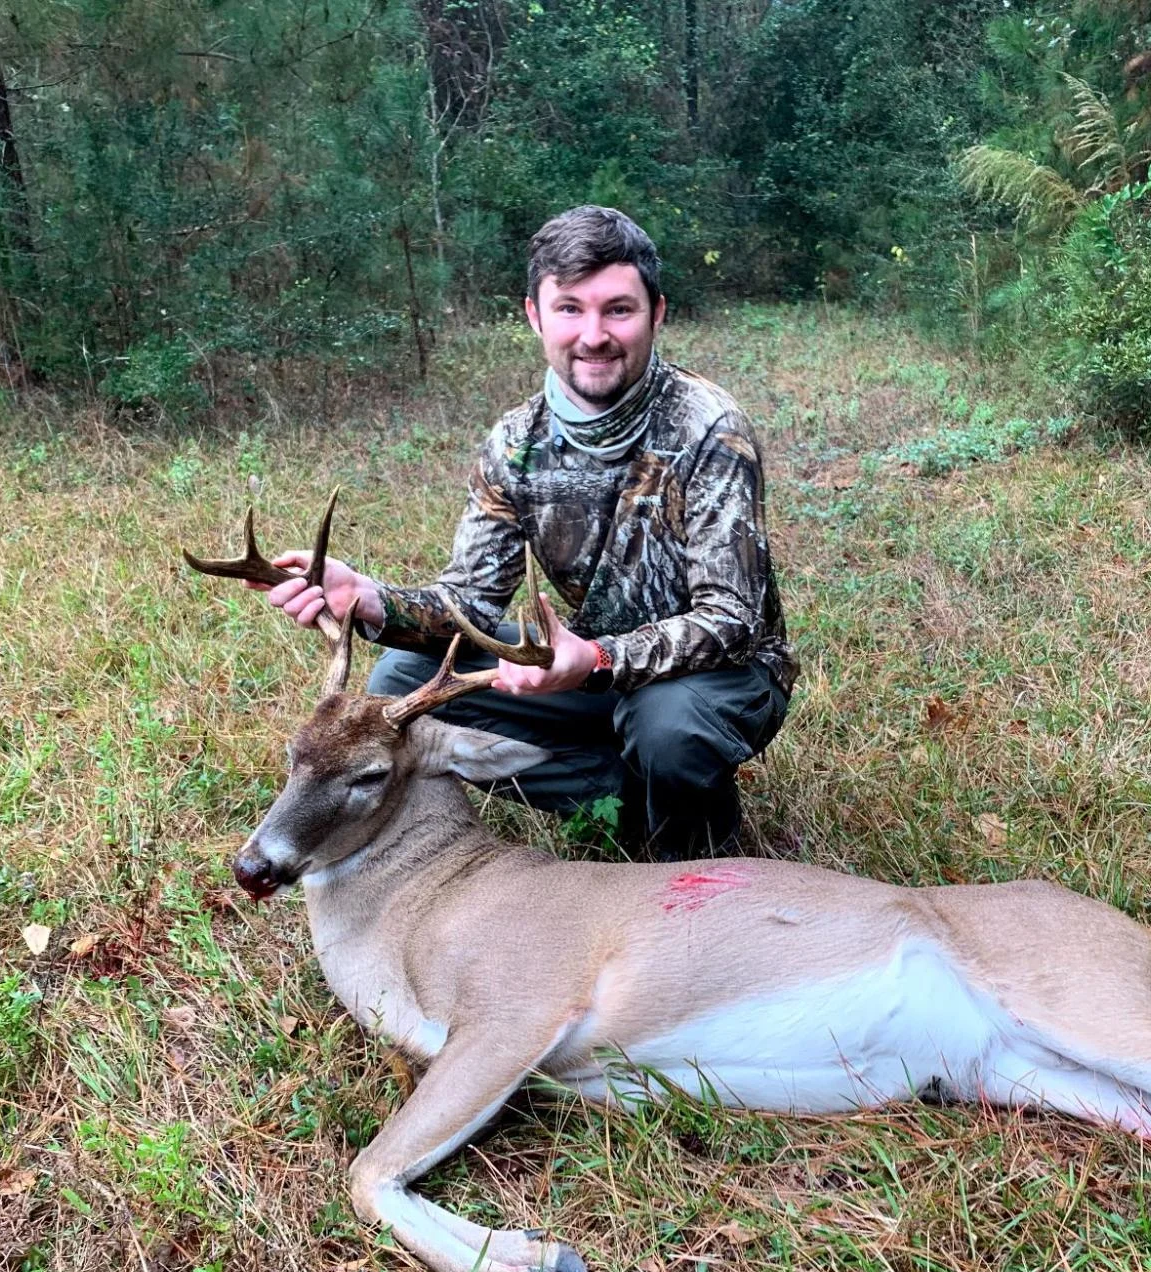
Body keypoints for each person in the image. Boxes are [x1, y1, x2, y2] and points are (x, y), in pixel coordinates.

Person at [258, 205, 794, 858]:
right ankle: (619, 795)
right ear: (535, 316)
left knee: (670, 730)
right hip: (592, 666)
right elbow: (471, 602)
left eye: (617, 310)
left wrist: (593, 661)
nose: (593, 335)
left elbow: (730, 620)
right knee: (399, 684)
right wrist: (373, 601)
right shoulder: (515, 443)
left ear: (656, 314)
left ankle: (696, 857)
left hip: (722, 676)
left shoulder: (709, 429)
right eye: (570, 309)